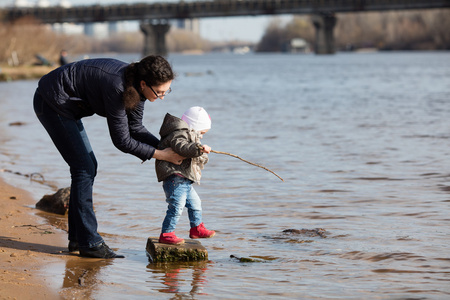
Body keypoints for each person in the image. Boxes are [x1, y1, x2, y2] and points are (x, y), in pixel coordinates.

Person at [33, 55, 184, 258]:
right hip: (52, 102)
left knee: (88, 167)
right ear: (143, 83)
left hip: (67, 106)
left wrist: (167, 147)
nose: (162, 97)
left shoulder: (137, 89)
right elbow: (121, 141)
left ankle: (79, 239)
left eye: (167, 92)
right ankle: (90, 243)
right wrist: (161, 155)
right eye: (160, 93)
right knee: (84, 168)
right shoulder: (117, 87)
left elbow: (136, 128)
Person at [155, 106, 216, 245]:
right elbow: (181, 147)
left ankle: (196, 228)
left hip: (184, 180)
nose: (201, 136)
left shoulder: (190, 137)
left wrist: (202, 154)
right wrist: (199, 148)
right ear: (194, 127)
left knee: (196, 204)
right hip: (174, 178)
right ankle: (167, 233)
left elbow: (192, 154)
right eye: (201, 132)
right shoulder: (178, 134)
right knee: (176, 207)